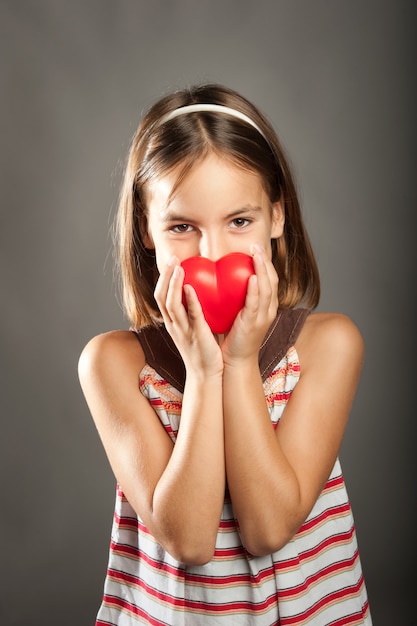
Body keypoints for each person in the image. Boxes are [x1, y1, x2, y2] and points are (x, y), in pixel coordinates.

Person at [78, 83, 372, 625]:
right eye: (182, 227)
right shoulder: (112, 364)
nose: (212, 255)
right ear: (146, 229)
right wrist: (202, 369)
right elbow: (188, 541)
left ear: (277, 218)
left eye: (240, 222)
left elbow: (267, 528)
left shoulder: (329, 345)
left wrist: (239, 364)